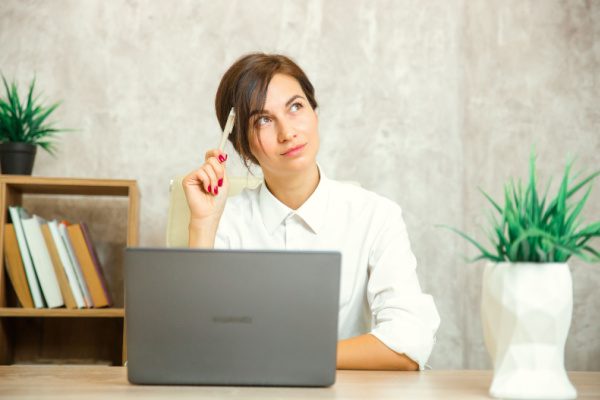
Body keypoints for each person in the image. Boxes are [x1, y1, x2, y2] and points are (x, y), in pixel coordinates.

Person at [183, 53, 440, 371]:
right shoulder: (225, 222)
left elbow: (410, 341)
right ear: (241, 146)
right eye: (263, 119)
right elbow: (189, 346)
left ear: (314, 113)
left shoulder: (376, 216)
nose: (287, 132)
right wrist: (202, 224)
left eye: (295, 107)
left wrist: (295, 357)